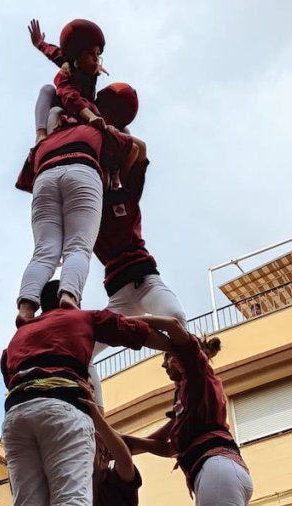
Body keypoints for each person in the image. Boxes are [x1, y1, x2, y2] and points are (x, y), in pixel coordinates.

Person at [0, 280, 174, 506]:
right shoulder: (82, 318)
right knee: (71, 498)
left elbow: (9, 373)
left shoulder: (17, 337)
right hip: (62, 407)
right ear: (73, 299)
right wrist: (181, 347)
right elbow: (134, 331)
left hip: (16, 415)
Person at [84, 82, 187, 408]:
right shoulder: (85, 210)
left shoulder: (125, 192)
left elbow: (139, 148)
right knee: (80, 350)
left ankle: (185, 379)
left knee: (176, 316)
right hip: (118, 297)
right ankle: (98, 422)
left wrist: (105, 128)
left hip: (145, 281)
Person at [14, 109, 146, 325]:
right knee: (78, 247)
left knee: (44, 251)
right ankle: (69, 295)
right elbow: (138, 148)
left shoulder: (45, 141)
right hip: (82, 172)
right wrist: (112, 131)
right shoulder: (94, 130)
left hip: (45, 178)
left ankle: (26, 308)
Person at [123, 318, 254, 505]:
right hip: (218, 472)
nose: (163, 365)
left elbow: (173, 325)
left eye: (167, 357)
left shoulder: (196, 374)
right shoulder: (188, 401)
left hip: (216, 469)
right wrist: (111, 442)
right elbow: (165, 446)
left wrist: (127, 320)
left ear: (179, 356)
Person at [29, 18, 108, 144]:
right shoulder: (68, 71)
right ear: (77, 57)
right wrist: (40, 44)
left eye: (98, 54)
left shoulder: (91, 74)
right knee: (49, 94)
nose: (96, 59)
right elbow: (70, 96)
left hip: (84, 112)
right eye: (90, 53)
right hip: (68, 108)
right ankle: (41, 134)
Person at [79, 388, 142, 506]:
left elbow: (125, 461)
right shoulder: (73, 479)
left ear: (105, 459)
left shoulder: (112, 484)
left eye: (91, 448)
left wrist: (97, 418)